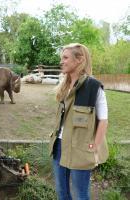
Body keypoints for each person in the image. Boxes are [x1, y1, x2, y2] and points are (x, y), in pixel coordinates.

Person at [49, 43, 109, 200]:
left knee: (80, 195)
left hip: (80, 148)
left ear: (79, 59)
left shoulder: (93, 87)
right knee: (62, 193)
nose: (61, 61)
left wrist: (95, 145)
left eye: (65, 57)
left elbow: (103, 120)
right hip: (60, 145)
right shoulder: (64, 86)